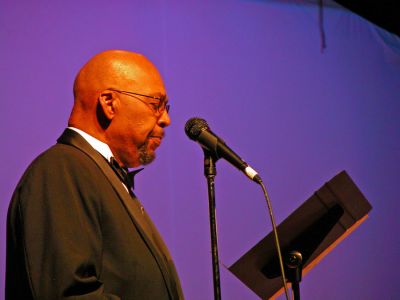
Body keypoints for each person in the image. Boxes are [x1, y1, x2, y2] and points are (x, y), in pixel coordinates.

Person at [6, 50, 184, 299]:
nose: (166, 119)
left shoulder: (95, 172)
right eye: (156, 105)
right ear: (109, 103)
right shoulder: (62, 168)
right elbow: (70, 293)